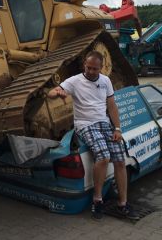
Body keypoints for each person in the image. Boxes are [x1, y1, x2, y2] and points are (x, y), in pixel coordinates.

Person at [47, 51, 138, 220]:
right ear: (84, 65)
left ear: (101, 68)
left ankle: (123, 204)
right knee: (103, 156)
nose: (91, 71)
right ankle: (97, 200)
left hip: (104, 123)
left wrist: (117, 129)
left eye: (95, 69)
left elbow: (111, 106)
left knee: (120, 159)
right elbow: (52, 92)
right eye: (88, 67)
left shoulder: (106, 81)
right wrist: (57, 93)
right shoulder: (74, 81)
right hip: (85, 124)